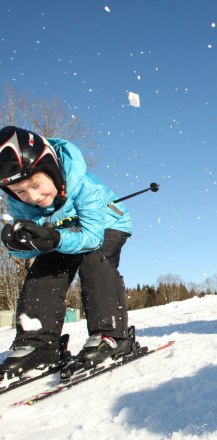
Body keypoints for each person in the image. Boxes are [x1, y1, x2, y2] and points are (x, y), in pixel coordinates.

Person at [0, 126, 133, 378]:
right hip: (64, 234)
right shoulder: (21, 203)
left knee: (95, 262)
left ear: (50, 168)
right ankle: (38, 343)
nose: (32, 197)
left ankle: (110, 334)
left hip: (106, 226)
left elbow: (93, 238)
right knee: (44, 269)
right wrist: (20, 245)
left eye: (36, 185)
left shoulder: (85, 185)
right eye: (19, 191)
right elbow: (36, 245)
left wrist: (55, 238)